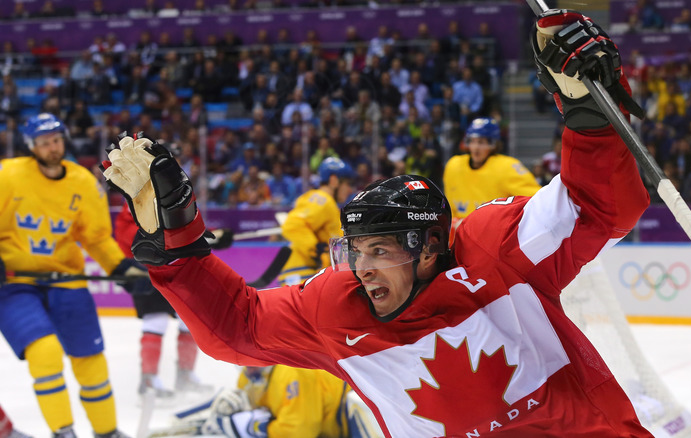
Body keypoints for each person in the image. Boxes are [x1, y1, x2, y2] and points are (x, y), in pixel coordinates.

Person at [102, 10, 652, 436]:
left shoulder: (498, 254)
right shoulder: (332, 308)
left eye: (381, 250)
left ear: (432, 245)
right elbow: (237, 327)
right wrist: (177, 245)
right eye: (357, 250)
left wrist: (584, 110)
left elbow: (597, 205)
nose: (362, 268)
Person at [0, 114, 143, 438]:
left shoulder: (82, 182)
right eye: (44, 142)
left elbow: (95, 238)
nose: (52, 147)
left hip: (67, 281)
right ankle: (63, 431)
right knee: (45, 352)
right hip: (15, 284)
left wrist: (121, 269)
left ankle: (107, 431)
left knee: (91, 359)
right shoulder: (7, 176)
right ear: (31, 146)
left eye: (56, 140)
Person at [113, 203, 234, 397]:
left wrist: (212, 235)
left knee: (188, 321)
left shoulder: (172, 189)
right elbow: (128, 235)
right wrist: (178, 240)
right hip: (147, 267)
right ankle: (149, 380)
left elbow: (186, 223)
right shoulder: (137, 195)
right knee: (156, 320)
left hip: (179, 268)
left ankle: (185, 375)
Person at [174, 365, 362, 438]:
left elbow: (301, 431)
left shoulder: (290, 372)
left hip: (355, 415)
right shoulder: (247, 377)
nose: (248, 364)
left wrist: (257, 428)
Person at [442, 117, 539, 227]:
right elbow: (450, 206)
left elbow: (535, 197)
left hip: (493, 233)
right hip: (461, 233)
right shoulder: (454, 165)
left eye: (482, 142)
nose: (476, 147)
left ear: (494, 145)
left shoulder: (506, 167)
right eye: (472, 141)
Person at [277, 157, 356, 286]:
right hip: (302, 273)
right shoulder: (322, 199)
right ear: (334, 180)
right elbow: (293, 224)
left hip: (308, 273)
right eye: (347, 183)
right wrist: (315, 251)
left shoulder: (327, 203)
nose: (350, 190)